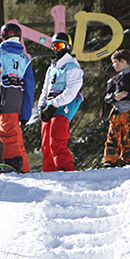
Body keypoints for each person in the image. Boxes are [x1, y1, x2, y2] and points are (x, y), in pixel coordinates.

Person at [0, 23, 35, 173]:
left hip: (4, 96)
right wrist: (26, 112)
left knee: (7, 130)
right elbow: (30, 87)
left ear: (3, 36)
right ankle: (24, 166)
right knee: (16, 132)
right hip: (18, 97)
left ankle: (13, 161)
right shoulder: (25, 59)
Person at [37, 32, 84, 172]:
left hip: (63, 106)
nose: (57, 49)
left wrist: (54, 105)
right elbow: (45, 89)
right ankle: (49, 171)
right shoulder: (52, 68)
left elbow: (71, 91)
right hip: (50, 106)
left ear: (67, 47)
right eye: (54, 45)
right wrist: (41, 106)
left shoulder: (72, 66)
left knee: (57, 140)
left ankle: (65, 169)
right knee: (46, 143)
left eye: (60, 45)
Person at [103, 49, 130, 168]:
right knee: (112, 136)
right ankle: (109, 160)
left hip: (129, 111)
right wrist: (113, 97)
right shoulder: (114, 79)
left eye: (115, 62)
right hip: (116, 111)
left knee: (128, 136)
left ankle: (126, 159)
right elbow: (106, 97)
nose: (113, 65)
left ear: (122, 61)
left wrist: (127, 95)